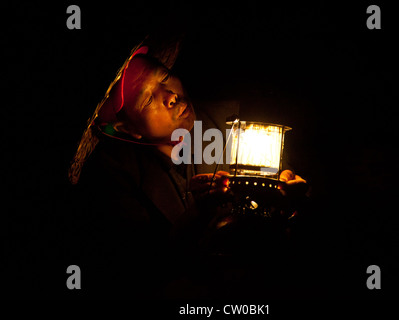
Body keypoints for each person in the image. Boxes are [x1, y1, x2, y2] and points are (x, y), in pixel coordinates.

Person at [65, 36, 307, 298]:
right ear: (128, 129)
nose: (171, 96)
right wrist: (197, 215)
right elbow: (140, 269)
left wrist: (292, 201)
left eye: (165, 77)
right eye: (148, 100)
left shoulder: (237, 123)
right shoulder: (115, 175)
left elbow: (295, 214)